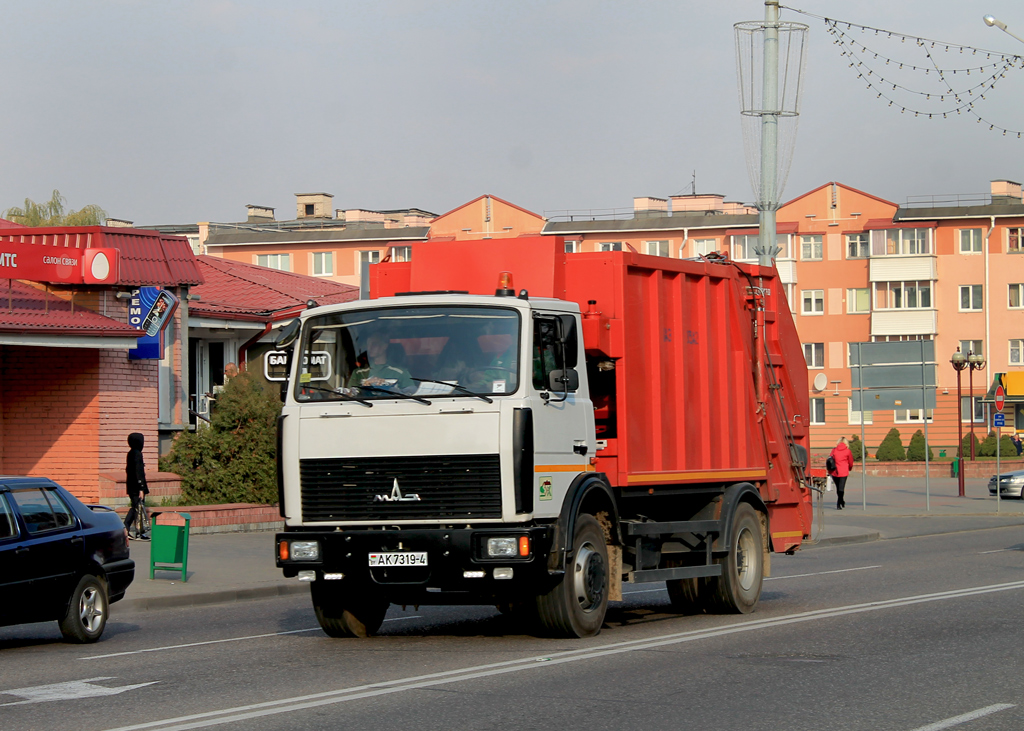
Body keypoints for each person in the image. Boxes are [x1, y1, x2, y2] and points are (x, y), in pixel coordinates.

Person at [346, 332, 415, 393]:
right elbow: (350, 394)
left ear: (385, 346)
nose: (370, 347)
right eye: (368, 344)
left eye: (374, 344)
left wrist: (389, 388)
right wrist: (365, 386)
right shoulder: (359, 372)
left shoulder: (400, 373)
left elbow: (411, 393)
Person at [123, 432, 150, 539]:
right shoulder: (137, 454)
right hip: (136, 487)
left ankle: (136, 530)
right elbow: (139, 472)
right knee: (137, 508)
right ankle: (128, 528)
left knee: (136, 508)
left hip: (131, 486)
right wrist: (141, 488)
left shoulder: (130, 453)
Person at [828, 436, 854, 510]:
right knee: (841, 488)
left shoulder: (834, 450)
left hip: (834, 471)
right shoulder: (848, 451)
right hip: (844, 471)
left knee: (838, 488)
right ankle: (840, 502)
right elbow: (851, 462)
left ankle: (840, 502)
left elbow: (830, 460)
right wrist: (849, 468)